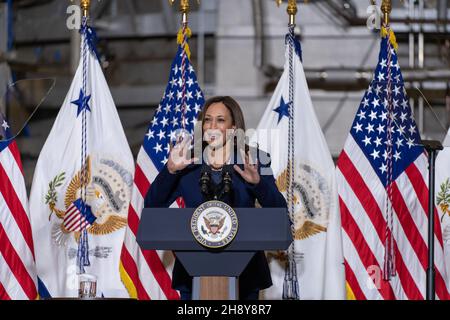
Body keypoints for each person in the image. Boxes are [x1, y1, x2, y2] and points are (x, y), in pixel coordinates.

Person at [144, 96, 287, 300]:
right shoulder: (188, 161)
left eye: (220, 120)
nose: (212, 126)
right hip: (192, 272)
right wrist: (170, 170)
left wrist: (258, 184)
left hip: (245, 274)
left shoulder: (252, 160)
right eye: (207, 119)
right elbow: (152, 205)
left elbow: (279, 211)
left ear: (233, 126)